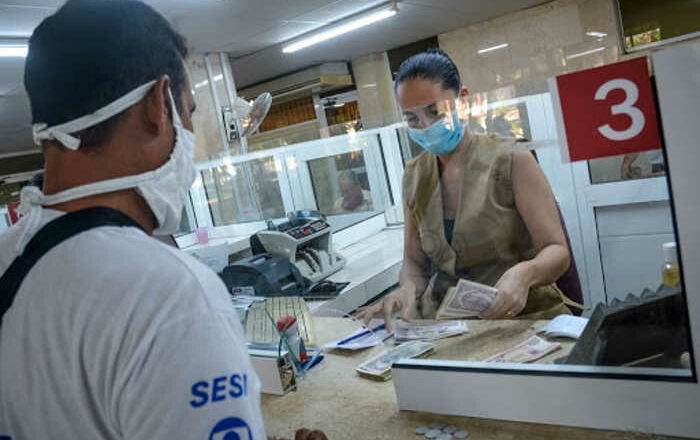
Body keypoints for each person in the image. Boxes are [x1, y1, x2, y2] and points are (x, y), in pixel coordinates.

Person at [0, 1, 325, 440]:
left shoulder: (8, 256)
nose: (189, 131)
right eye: (188, 111)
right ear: (158, 103)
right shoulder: (170, 293)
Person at [357, 49, 581, 330]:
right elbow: (414, 260)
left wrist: (526, 274)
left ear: (462, 99)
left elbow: (557, 251)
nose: (425, 126)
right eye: (411, 118)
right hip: (448, 326)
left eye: (434, 111)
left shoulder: (512, 158)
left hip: (522, 318)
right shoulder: (413, 176)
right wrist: (407, 289)